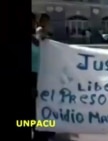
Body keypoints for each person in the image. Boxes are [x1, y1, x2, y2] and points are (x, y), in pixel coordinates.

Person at [32, 12, 55, 141]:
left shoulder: (39, 34)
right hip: (34, 75)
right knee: (38, 105)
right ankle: (39, 132)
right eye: (43, 21)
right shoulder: (39, 31)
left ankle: (43, 130)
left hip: (41, 73)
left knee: (42, 103)